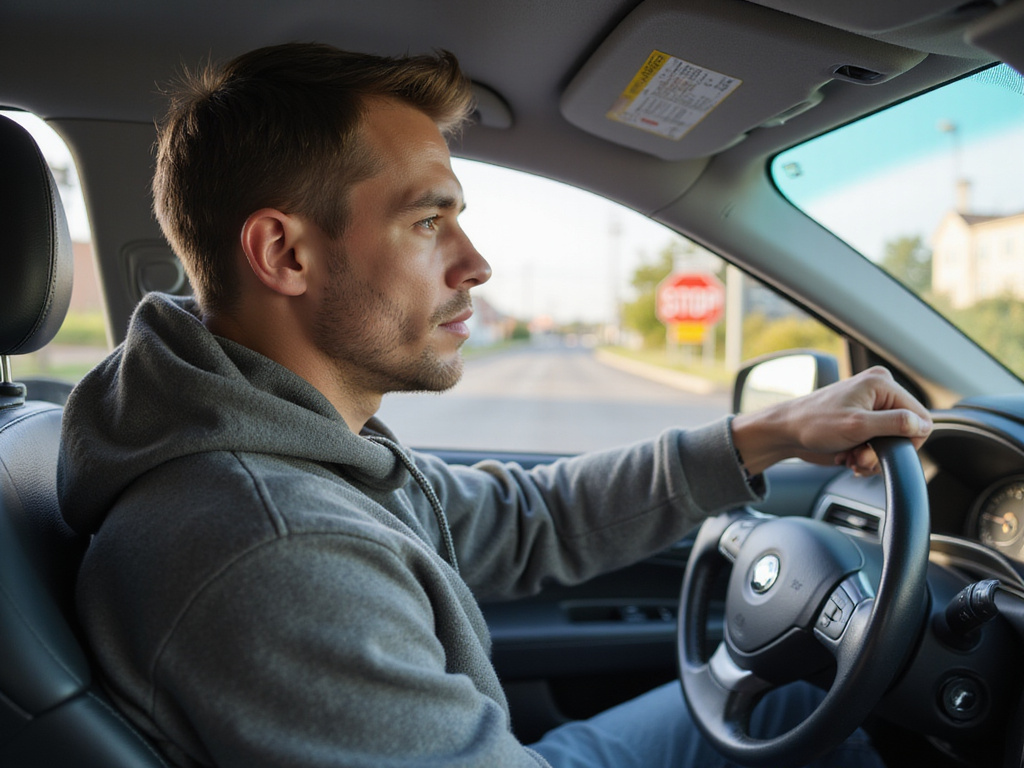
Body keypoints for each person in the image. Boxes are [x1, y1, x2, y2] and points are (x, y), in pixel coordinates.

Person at [57, 42, 932, 768]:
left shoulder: (288, 446)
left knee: (790, 698)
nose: (476, 264)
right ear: (284, 253)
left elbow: (523, 517)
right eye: (428, 221)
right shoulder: (276, 549)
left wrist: (767, 433)